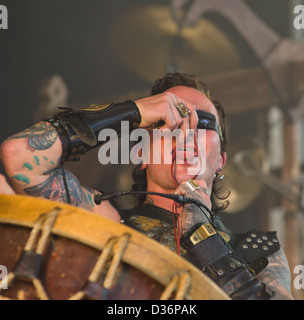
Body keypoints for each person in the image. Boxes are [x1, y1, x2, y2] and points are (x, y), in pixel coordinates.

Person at [0, 73, 293, 300]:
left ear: (221, 161)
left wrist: (201, 236)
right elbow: (19, 155)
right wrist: (135, 112)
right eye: (169, 122)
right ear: (141, 153)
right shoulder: (107, 224)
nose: (186, 132)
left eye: (202, 124)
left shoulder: (258, 251)